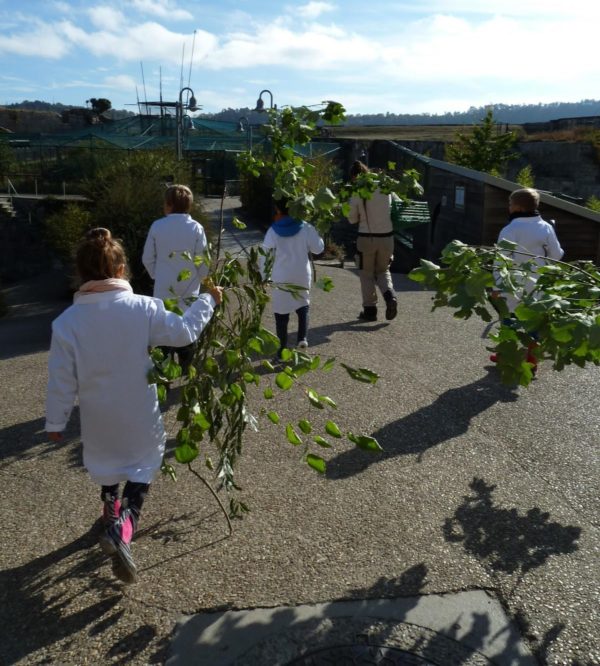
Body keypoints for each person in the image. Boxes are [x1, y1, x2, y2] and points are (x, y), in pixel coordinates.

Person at [45, 228, 223, 584]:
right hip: (139, 409)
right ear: (123, 269)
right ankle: (124, 526)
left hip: (97, 415)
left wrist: (56, 421)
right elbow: (185, 332)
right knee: (144, 462)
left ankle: (110, 507)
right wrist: (209, 300)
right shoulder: (143, 308)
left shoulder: (66, 324)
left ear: (80, 274)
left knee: (107, 462)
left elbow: (61, 379)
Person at [491, 187, 564, 367]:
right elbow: (557, 254)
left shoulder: (509, 230)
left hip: (513, 284)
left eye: (510, 204)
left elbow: (502, 262)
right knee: (533, 321)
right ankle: (532, 357)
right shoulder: (546, 227)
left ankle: (505, 356)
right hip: (537, 285)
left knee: (509, 320)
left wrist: (497, 287)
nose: (508, 207)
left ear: (518, 208)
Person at [142, 184, 209, 369]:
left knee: (164, 328)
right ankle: (187, 370)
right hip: (189, 287)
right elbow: (202, 260)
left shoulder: (157, 226)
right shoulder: (196, 228)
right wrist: (204, 279)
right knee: (187, 325)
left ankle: (164, 375)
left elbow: (147, 257)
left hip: (164, 287)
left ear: (169, 204)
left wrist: (157, 274)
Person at [262, 198, 324, 352]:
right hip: (301, 274)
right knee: (303, 306)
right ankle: (302, 338)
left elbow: (265, 256)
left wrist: (264, 276)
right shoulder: (306, 227)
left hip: (280, 277)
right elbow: (318, 249)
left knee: (281, 314)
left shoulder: (273, 231)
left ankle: (282, 349)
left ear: (278, 209)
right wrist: (319, 232)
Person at [348, 161, 398, 322]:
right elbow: (397, 205)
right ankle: (390, 296)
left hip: (366, 238)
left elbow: (351, 219)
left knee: (367, 274)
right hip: (387, 237)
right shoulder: (385, 184)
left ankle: (370, 311)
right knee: (383, 271)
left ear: (355, 176)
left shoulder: (358, 190)